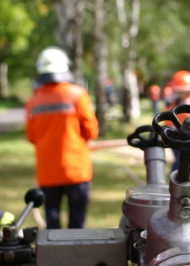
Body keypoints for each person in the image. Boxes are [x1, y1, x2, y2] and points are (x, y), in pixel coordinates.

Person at [25, 46, 99, 229]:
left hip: (48, 172)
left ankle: (54, 257)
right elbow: (91, 131)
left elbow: (32, 136)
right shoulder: (78, 95)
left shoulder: (33, 102)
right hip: (76, 170)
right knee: (77, 224)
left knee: (52, 225)